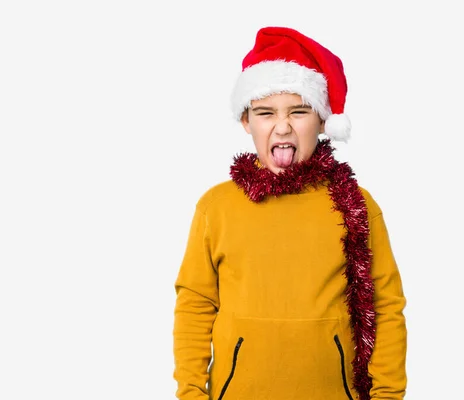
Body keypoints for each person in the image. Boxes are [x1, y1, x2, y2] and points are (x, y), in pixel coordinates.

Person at [173, 26, 407, 400]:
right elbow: (195, 305)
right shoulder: (216, 207)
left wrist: (388, 395)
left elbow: (384, 305)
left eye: (299, 111)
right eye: (265, 113)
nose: (282, 126)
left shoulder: (356, 205)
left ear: (323, 121)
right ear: (247, 122)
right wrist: (190, 392)